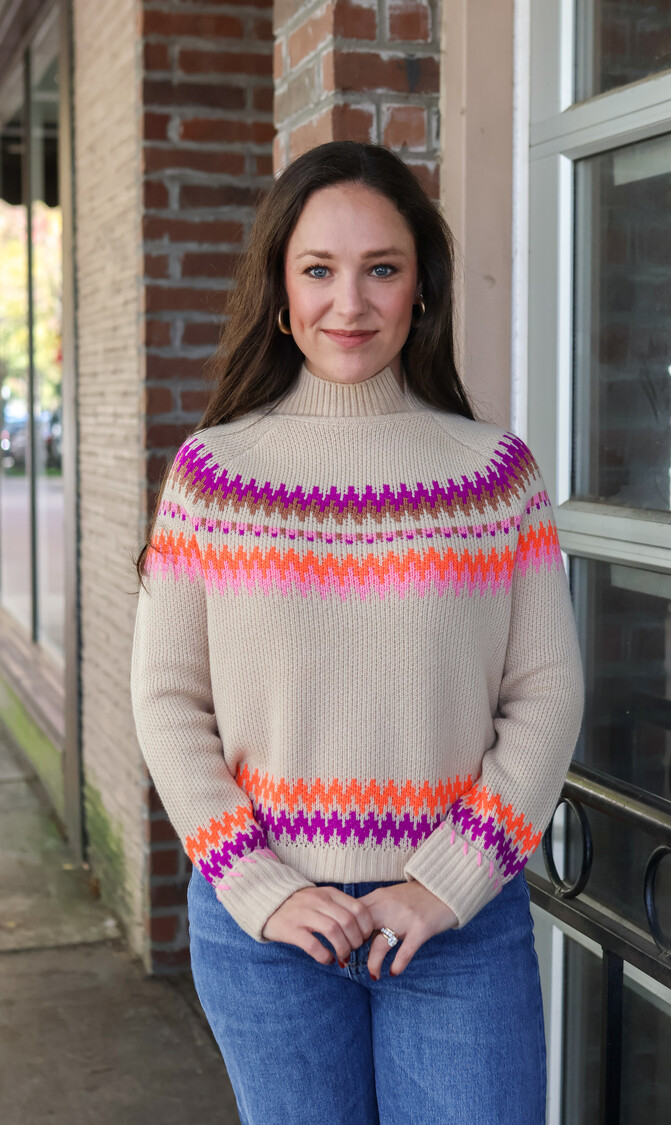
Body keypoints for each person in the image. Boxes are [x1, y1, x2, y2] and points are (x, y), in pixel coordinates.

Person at [130, 140, 585, 1125]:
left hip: (455, 926)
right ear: (280, 292)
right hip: (268, 932)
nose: (349, 303)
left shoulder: (494, 474)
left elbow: (546, 692)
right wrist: (258, 884)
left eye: (381, 268)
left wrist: (446, 883)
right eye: (318, 271)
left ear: (423, 288)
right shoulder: (212, 476)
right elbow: (168, 700)